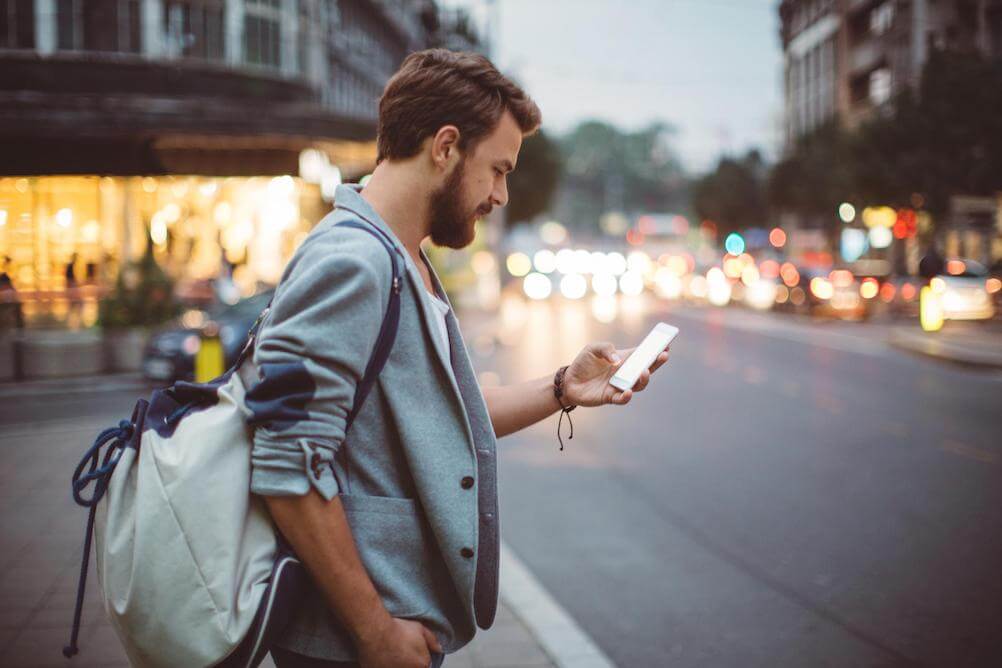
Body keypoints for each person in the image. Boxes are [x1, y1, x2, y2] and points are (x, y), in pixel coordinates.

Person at [249, 49, 671, 668]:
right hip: (348, 645)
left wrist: (564, 386)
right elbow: (286, 462)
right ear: (445, 146)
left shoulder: (402, 259)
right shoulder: (351, 262)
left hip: (388, 632)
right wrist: (373, 633)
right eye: (497, 169)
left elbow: (443, 419)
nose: (501, 195)